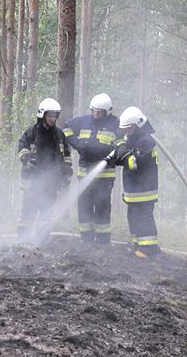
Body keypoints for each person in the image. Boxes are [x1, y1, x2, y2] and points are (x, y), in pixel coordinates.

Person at [62, 93, 121, 243]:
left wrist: (112, 150)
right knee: (84, 206)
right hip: (84, 174)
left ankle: (102, 240)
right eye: (94, 110)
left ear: (107, 111)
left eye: (100, 112)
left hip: (105, 177)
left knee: (102, 207)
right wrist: (77, 143)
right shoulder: (82, 121)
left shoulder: (116, 124)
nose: (96, 114)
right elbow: (66, 128)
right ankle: (86, 239)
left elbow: (124, 142)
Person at [105, 106, 160, 258]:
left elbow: (133, 162)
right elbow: (123, 155)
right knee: (133, 217)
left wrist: (123, 150)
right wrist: (117, 153)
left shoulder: (146, 141)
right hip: (134, 190)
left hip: (144, 190)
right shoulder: (132, 138)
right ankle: (138, 245)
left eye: (129, 128)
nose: (127, 131)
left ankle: (149, 249)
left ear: (138, 125)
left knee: (143, 218)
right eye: (126, 129)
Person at [16, 98, 73, 241]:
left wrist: (66, 172)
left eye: (54, 116)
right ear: (42, 115)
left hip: (51, 182)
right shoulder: (31, 133)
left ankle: (42, 240)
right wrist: (27, 158)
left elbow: (66, 155)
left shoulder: (59, 135)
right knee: (28, 211)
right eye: (49, 116)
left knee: (47, 212)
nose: (52, 119)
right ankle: (23, 240)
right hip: (33, 181)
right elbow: (21, 147)